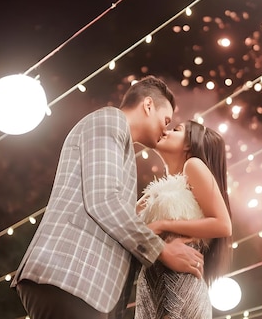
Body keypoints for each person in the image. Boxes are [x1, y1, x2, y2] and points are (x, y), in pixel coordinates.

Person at [11, 75, 204, 319]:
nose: (165, 129)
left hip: (85, 285)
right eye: (165, 120)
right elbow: (103, 200)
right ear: (147, 105)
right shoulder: (110, 120)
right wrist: (162, 251)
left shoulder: (120, 142)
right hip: (71, 276)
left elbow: (100, 204)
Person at [135, 120, 233, 319]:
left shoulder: (193, 165)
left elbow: (223, 225)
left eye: (176, 130)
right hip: (154, 284)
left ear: (189, 144)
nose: (166, 131)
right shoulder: (157, 191)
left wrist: (163, 225)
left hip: (179, 282)